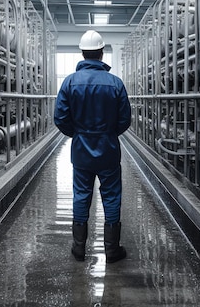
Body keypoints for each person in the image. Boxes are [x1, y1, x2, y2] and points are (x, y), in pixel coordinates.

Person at [54, 30, 132, 263]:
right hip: (108, 149)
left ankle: (79, 248)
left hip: (81, 151)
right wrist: (107, 134)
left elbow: (60, 118)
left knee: (81, 195)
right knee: (111, 196)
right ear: (101, 53)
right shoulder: (115, 83)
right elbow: (124, 119)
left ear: (82, 52)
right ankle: (112, 249)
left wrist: (78, 134)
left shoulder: (69, 82)